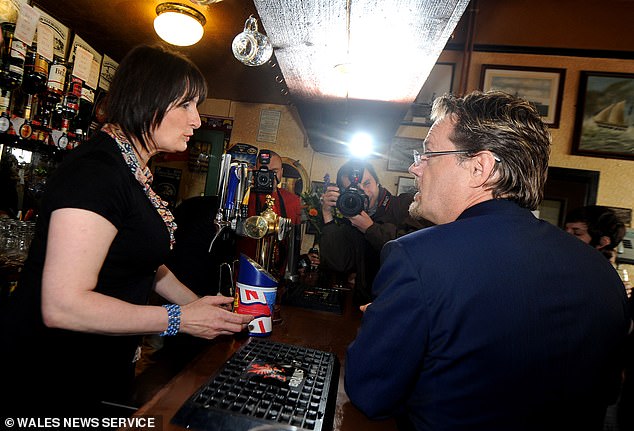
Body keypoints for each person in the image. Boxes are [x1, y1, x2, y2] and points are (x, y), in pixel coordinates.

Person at [344, 91, 631, 431]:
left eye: (428, 154)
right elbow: (608, 393)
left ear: (480, 167)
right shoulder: (604, 276)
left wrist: (383, 325)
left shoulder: (418, 258)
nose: (414, 167)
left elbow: (371, 393)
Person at [0, 44, 253, 416]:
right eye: (186, 105)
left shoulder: (129, 170)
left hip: (96, 369)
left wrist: (198, 306)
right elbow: (63, 306)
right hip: (49, 378)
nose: (197, 120)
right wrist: (179, 319)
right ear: (148, 100)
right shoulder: (98, 172)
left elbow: (145, 262)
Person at [319, 159, 432, 303]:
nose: (364, 192)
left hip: (404, 304)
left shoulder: (405, 205)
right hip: (364, 304)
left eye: (367, 183)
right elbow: (340, 264)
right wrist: (327, 215)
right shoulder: (352, 219)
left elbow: (416, 251)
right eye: (354, 188)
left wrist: (370, 228)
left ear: (377, 182)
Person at [564, 205, 633, 431]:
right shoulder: (568, 266)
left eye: (577, 233)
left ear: (602, 241)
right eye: (566, 230)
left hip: (584, 384)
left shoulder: (600, 278)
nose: (566, 237)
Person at [239, 149, 303, 280]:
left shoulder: (292, 201)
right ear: (255, 169)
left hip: (277, 274)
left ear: (281, 173)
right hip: (243, 271)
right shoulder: (242, 196)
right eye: (264, 170)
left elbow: (294, 241)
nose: (268, 175)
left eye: (274, 172)